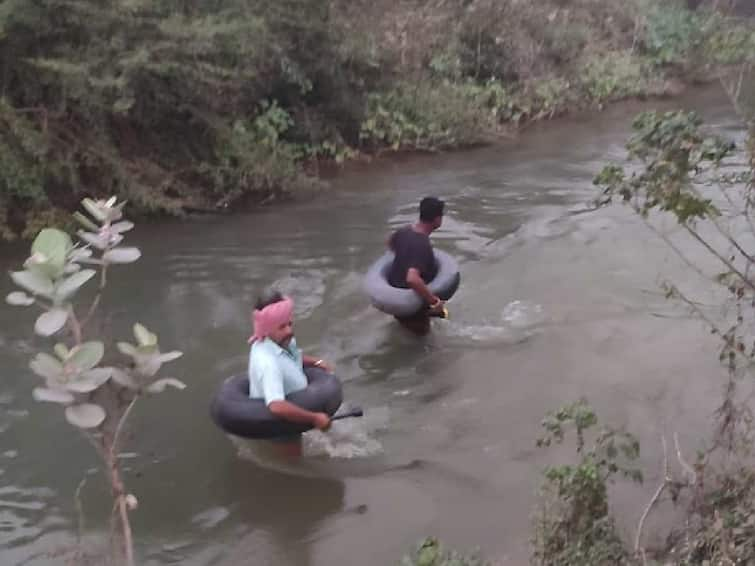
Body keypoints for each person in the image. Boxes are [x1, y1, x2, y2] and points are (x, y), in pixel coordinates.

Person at [247, 290, 333, 459]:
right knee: (293, 462)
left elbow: (292, 358)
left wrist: (315, 362)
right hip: (281, 426)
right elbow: (276, 406)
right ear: (266, 328)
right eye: (282, 326)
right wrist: (314, 417)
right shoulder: (267, 363)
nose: (289, 330)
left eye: (290, 324)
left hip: (297, 401)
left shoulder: (281, 341)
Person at [386, 196, 447, 336]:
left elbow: (390, 243)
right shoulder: (422, 245)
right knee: (422, 344)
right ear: (437, 219)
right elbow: (412, 279)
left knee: (403, 333)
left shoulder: (404, 231)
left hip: (396, 300)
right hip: (411, 307)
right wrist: (435, 302)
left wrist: (405, 257)